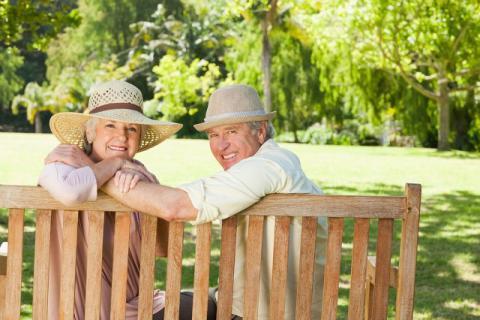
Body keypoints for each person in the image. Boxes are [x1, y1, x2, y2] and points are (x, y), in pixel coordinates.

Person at [49, 84, 327, 319]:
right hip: (248, 305)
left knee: (192, 303)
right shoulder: (66, 169)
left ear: (261, 131)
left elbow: (174, 212)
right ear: (90, 131)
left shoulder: (267, 168)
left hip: (265, 312)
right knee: (194, 302)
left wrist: (102, 167)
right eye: (214, 135)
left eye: (231, 132)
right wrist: (113, 168)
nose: (221, 145)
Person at [39, 80, 191, 320]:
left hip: (136, 308)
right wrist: (115, 164)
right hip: (78, 312)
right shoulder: (63, 162)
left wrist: (144, 180)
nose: (122, 136)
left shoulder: (139, 174)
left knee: (203, 303)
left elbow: (162, 247)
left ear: (139, 138)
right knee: (205, 304)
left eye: (131, 128)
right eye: (110, 125)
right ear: (90, 131)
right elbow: (70, 193)